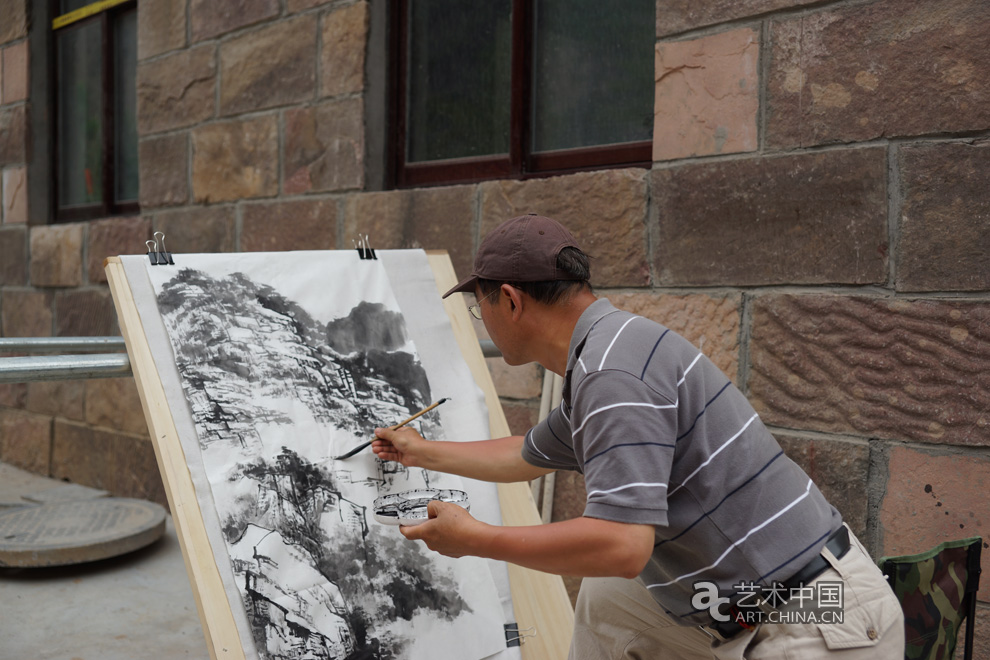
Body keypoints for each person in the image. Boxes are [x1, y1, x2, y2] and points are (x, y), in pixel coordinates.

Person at [372, 214, 904, 659]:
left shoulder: (611, 375)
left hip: (818, 616)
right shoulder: (609, 349)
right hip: (761, 598)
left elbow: (622, 545)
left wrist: (477, 540)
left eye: (479, 306)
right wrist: (420, 451)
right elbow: (527, 453)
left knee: (613, 573)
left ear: (510, 300)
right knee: (610, 600)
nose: (480, 319)